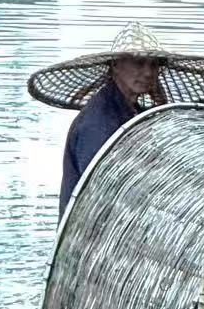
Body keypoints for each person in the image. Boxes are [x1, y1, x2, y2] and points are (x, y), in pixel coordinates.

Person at [59, 29, 165, 214]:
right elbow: (102, 188)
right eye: (139, 63)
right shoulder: (97, 121)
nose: (148, 73)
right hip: (91, 224)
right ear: (116, 65)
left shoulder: (132, 112)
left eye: (154, 65)